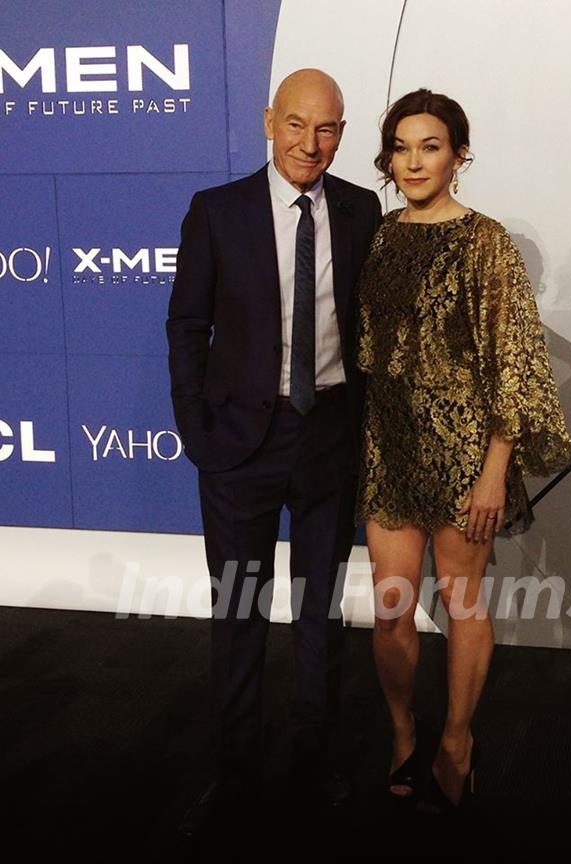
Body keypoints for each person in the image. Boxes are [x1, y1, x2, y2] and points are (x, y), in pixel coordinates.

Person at [166, 68, 382, 822]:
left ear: (342, 135)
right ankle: (236, 770)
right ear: (269, 123)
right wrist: (197, 429)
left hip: (327, 437)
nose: (309, 143)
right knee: (239, 613)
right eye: (296, 124)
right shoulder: (216, 211)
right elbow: (188, 325)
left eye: (325, 129)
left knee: (318, 614)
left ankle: (312, 762)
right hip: (237, 445)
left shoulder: (361, 211)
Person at [355, 88, 571, 813]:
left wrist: (494, 473)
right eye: (402, 146)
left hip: (463, 456)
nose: (414, 160)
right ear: (387, 157)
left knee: (461, 602)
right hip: (390, 446)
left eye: (431, 146)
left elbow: (513, 360)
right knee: (391, 608)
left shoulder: (487, 242)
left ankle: (456, 738)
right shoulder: (383, 236)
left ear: (459, 155)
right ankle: (401, 732)